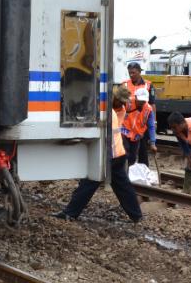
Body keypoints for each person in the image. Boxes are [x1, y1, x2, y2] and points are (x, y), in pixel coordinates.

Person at [54, 86, 142, 223]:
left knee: (89, 183)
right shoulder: (120, 110)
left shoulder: (109, 112)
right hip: (118, 153)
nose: (120, 103)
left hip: (108, 154)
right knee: (123, 187)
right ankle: (136, 214)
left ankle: (70, 213)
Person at [122, 87, 156, 166]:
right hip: (124, 132)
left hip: (136, 136)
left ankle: (129, 173)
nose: (142, 103)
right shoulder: (128, 102)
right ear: (136, 97)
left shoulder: (148, 109)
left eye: (144, 101)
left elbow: (151, 126)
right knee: (124, 152)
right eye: (140, 100)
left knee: (133, 157)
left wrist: (153, 142)